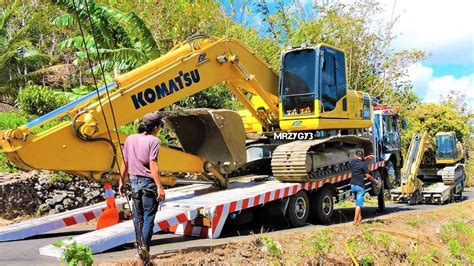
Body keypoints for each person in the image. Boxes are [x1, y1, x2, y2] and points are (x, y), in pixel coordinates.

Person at [119, 112, 166, 257]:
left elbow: (125, 162)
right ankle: (144, 246)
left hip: (134, 182)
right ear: (156, 127)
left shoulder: (130, 139)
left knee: (138, 217)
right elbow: (153, 164)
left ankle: (140, 247)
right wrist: (159, 186)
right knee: (149, 216)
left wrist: (121, 181)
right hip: (148, 183)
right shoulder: (154, 141)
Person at [350, 150, 378, 224]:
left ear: (356, 155)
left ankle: (360, 218)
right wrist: (375, 181)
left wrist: (366, 157)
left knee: (357, 202)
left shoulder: (353, 162)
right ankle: (355, 221)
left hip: (353, 185)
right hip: (360, 186)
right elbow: (368, 176)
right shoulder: (363, 165)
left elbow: (359, 159)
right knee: (359, 205)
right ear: (362, 156)